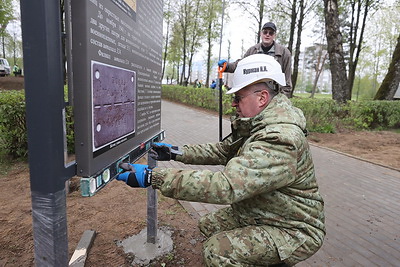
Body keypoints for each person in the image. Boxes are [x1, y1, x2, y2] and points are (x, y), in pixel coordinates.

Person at [116, 54, 325, 266]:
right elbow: (223, 151)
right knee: (208, 224)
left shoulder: (279, 138)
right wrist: (176, 153)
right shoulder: (259, 123)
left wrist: (154, 177)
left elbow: (226, 186)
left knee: (217, 251)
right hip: (264, 211)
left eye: (238, 97)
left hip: (293, 228)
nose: (233, 104)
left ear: (262, 98)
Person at [219, 22, 293, 98]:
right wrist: (227, 66)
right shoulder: (252, 51)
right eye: (265, 32)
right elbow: (240, 65)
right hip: (254, 96)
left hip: (274, 96)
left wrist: (282, 99)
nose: (267, 35)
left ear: (274, 35)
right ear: (261, 33)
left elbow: (287, 81)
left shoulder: (284, 53)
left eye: (271, 33)